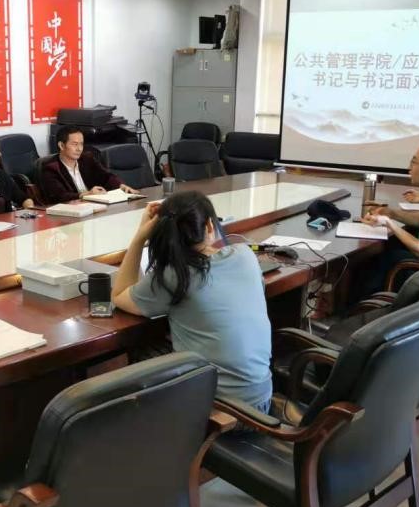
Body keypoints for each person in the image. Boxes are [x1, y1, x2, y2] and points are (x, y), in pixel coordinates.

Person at [111, 191, 273, 413]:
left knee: (143, 351)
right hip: (262, 403)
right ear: (209, 226)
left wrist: (139, 238)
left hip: (221, 412)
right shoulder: (245, 255)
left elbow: (119, 294)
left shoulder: (174, 275)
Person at [40, 125, 140, 204]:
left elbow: (106, 177)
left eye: (81, 144)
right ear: (61, 145)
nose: (79, 149)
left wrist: (121, 186)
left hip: (94, 207)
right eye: (75, 144)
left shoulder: (87, 159)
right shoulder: (50, 168)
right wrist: (87, 194)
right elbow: (59, 196)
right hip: (71, 214)